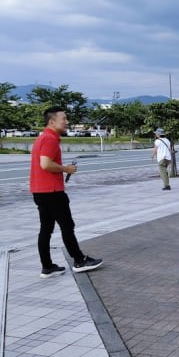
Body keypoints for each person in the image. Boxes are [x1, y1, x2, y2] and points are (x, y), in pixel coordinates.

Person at [30, 106, 103, 279]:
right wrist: (66, 169)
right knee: (67, 226)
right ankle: (79, 260)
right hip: (52, 191)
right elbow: (45, 164)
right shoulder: (49, 139)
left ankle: (47, 267)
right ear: (52, 121)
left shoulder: (42, 137)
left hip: (40, 191)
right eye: (64, 118)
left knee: (46, 229)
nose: (67, 122)